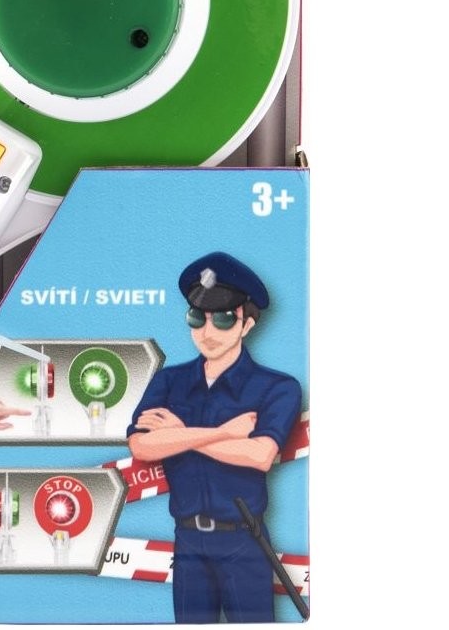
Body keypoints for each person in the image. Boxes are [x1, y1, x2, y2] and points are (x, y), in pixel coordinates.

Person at [127, 252, 301, 624]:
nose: (207, 332)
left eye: (222, 319)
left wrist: (178, 434)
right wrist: (223, 433)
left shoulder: (277, 387)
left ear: (247, 324)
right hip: (188, 543)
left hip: (244, 543)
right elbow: (141, 445)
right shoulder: (169, 381)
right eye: (197, 317)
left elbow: (259, 455)